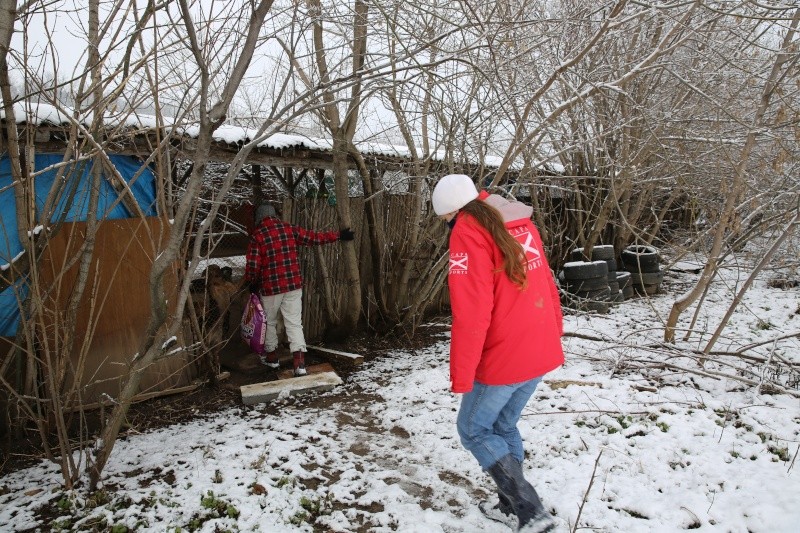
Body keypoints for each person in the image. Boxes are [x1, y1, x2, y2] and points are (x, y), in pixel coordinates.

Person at [431, 174, 564, 533]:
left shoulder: (468, 232)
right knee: (503, 425)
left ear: (453, 212)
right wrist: (555, 333)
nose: (446, 226)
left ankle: (530, 510)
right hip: (538, 347)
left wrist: (462, 373)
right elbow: (547, 284)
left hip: (505, 356)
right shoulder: (517, 222)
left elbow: (471, 312)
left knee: (473, 429)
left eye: (444, 220)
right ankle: (510, 505)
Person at [243, 202, 355, 376]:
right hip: (293, 286)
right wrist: (339, 235)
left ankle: (272, 358)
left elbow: (253, 266)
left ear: (259, 218)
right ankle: (300, 364)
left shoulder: (257, 236)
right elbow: (314, 238)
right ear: (275, 215)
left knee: (270, 322)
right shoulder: (289, 229)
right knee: (294, 323)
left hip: (270, 288)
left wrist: (251, 282)